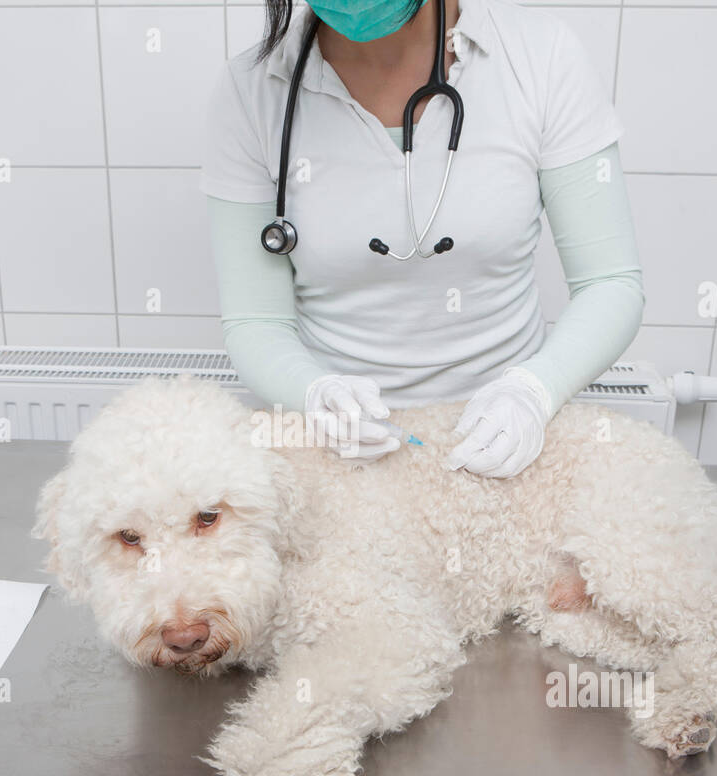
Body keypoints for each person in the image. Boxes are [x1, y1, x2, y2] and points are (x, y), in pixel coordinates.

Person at [200, 0, 643, 478]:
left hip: (506, 449)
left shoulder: (540, 55)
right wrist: (313, 393)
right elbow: (255, 320)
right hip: (338, 457)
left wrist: (533, 392)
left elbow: (610, 282)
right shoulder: (252, 89)